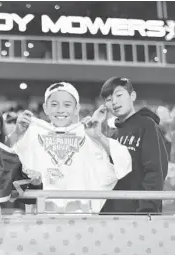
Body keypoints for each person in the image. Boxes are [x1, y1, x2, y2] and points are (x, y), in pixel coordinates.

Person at [7, 82, 132, 213]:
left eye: (67, 105)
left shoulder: (87, 133)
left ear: (76, 108)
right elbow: (1, 160)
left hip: (79, 214)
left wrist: (99, 136)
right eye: (54, 105)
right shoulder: (32, 133)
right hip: (41, 214)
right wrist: (16, 134)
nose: (60, 110)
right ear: (45, 108)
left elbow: (123, 163)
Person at [100, 77, 168, 214]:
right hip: (112, 213)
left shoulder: (147, 125)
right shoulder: (113, 136)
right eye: (108, 99)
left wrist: (148, 209)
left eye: (119, 95)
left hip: (140, 212)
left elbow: (155, 170)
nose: (114, 102)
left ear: (132, 96)